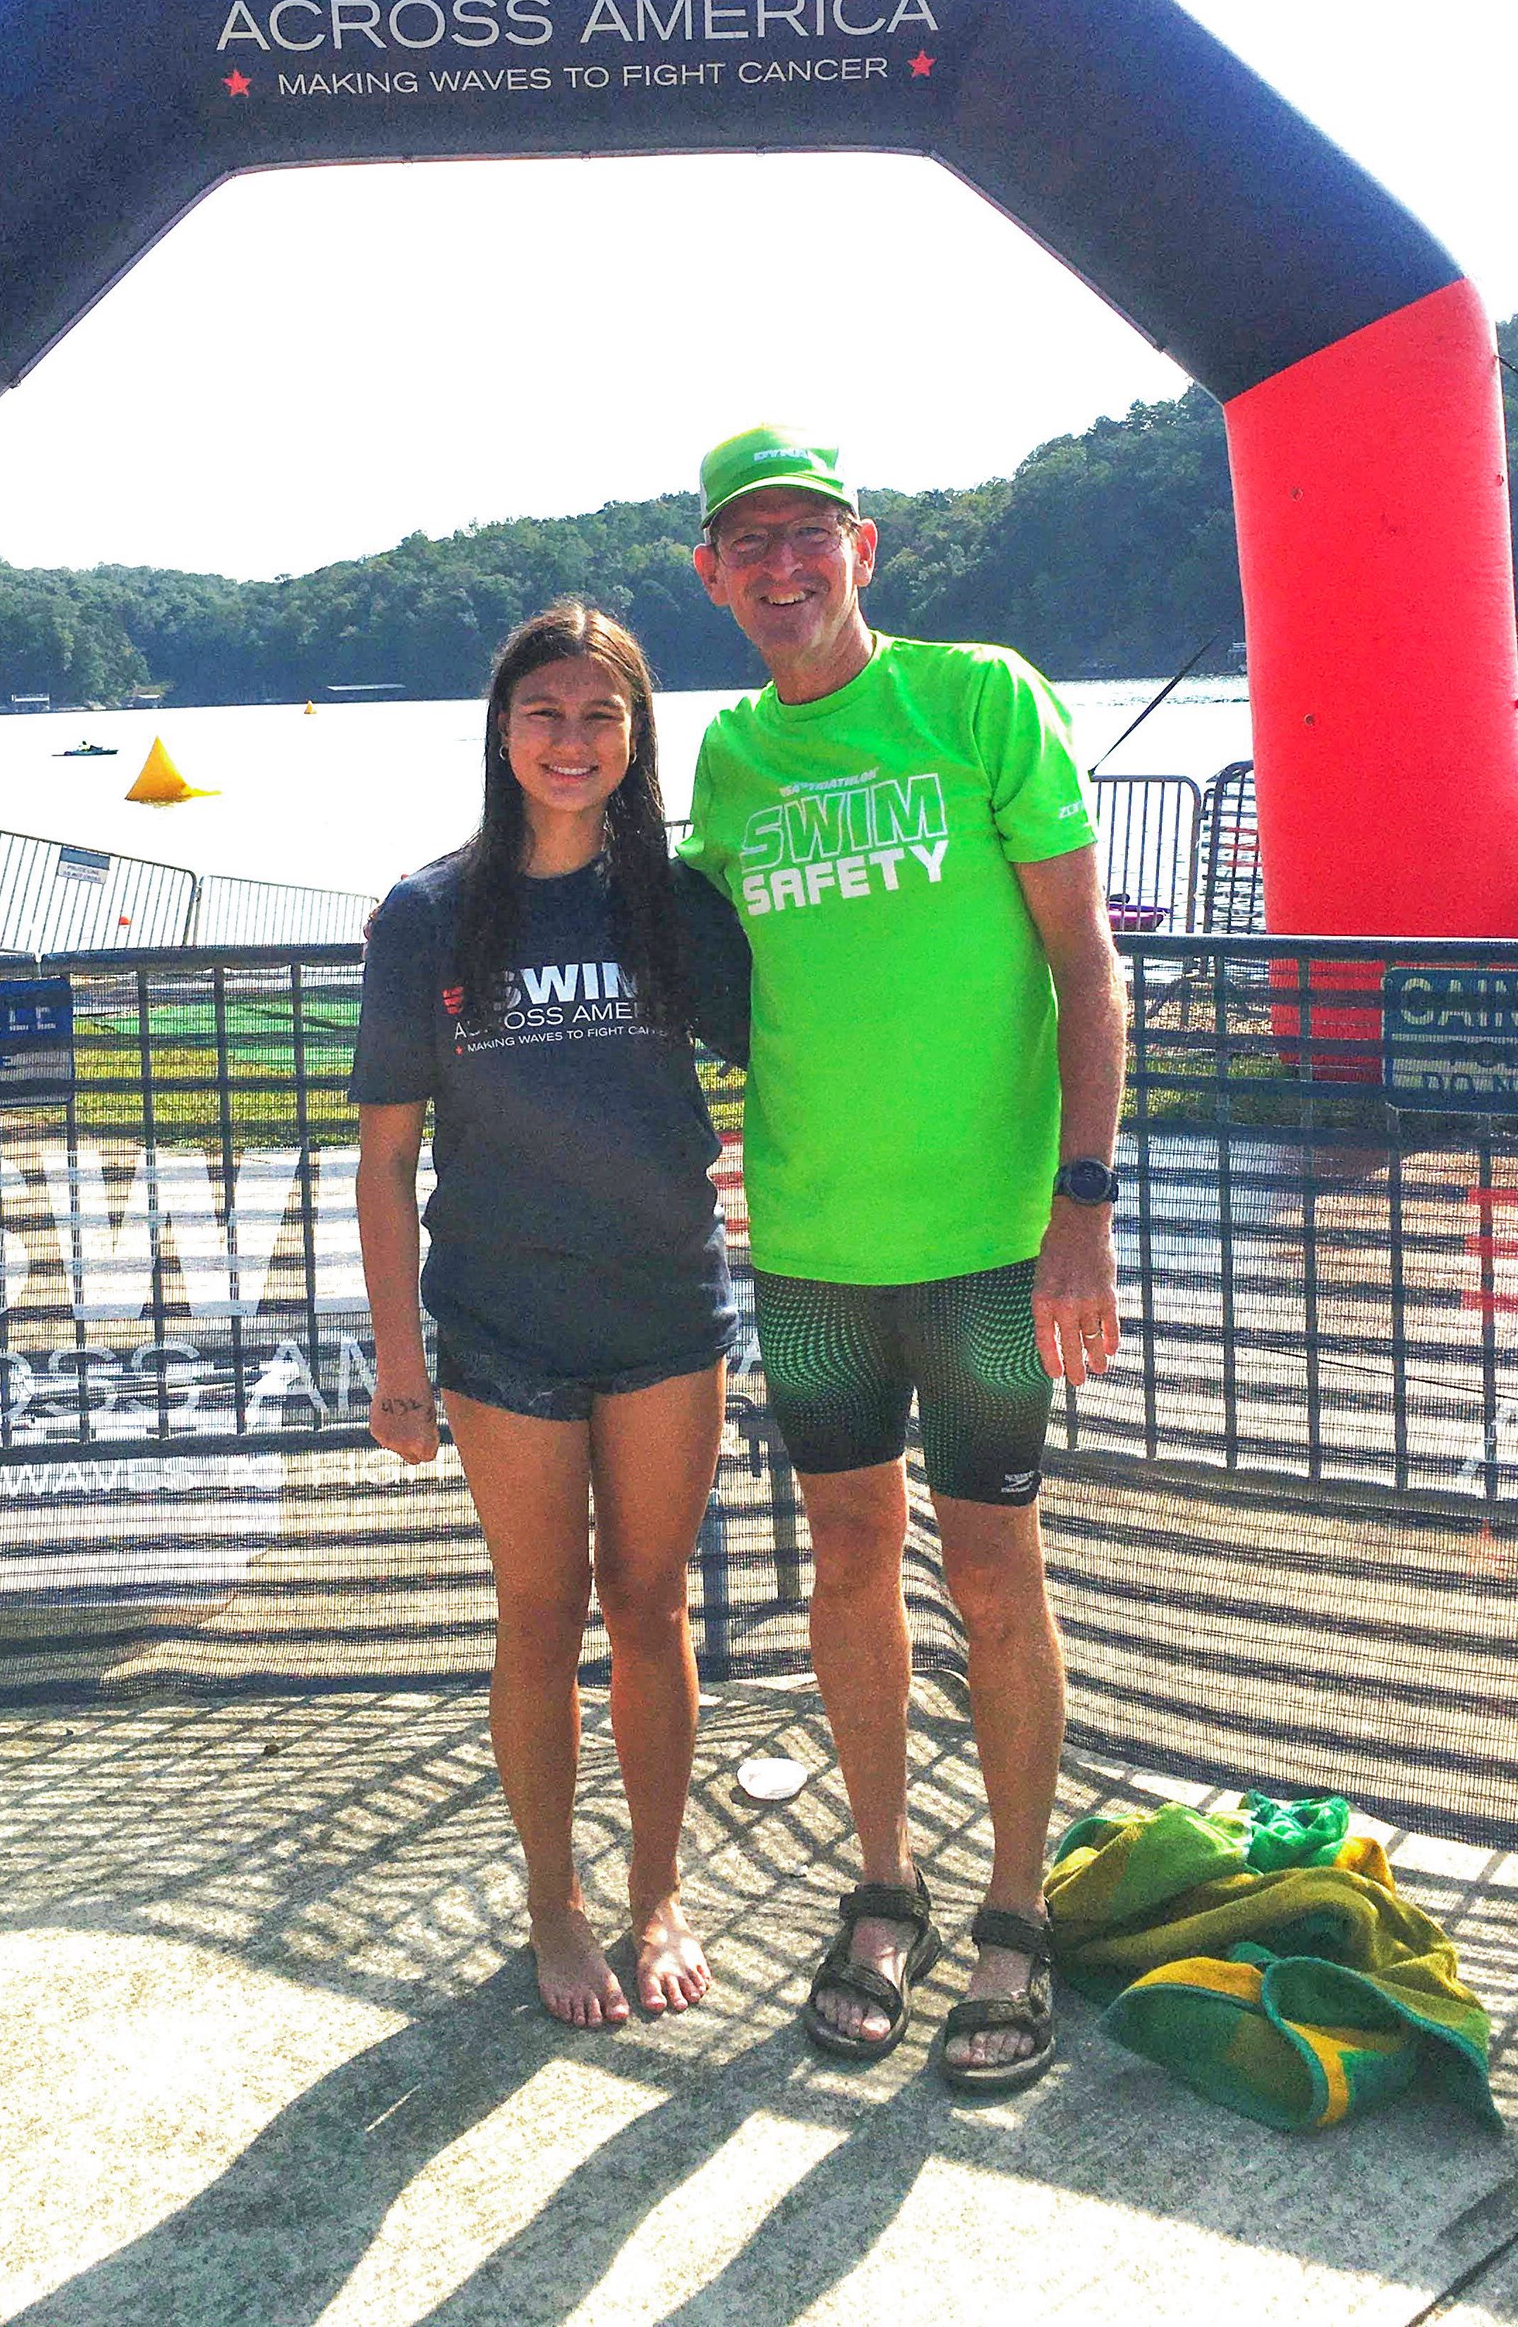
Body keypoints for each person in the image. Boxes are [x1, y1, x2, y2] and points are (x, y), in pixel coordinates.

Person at [682, 428, 1126, 2090]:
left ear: (862, 545)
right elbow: (670, 948)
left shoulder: (981, 698)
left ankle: (1014, 1911)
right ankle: (888, 1886)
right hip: (806, 1253)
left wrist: (1080, 1210)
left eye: (811, 534)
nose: (785, 567)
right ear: (711, 576)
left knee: (997, 1567)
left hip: (988, 1253)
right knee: (848, 1560)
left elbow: (1086, 968)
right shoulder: (724, 759)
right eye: (751, 545)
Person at [351, 602, 749, 2030]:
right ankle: (554, 1906)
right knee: (541, 1612)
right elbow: (388, 1160)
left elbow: (810, 1050)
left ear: (635, 738)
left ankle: (658, 1894)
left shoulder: (678, 904)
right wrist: (400, 1360)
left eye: (599, 717)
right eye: (545, 714)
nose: (570, 742)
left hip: (665, 1311)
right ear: (502, 731)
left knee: (650, 1608)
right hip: (502, 1323)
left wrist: (793, 1173)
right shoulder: (428, 914)